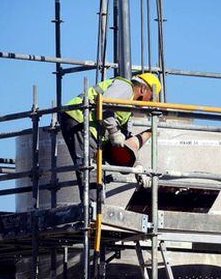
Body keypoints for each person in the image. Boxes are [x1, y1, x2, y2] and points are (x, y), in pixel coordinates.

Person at [59, 73, 161, 201]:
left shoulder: (127, 110)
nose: (149, 103)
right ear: (142, 89)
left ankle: (96, 207)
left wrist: (137, 167)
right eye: (151, 98)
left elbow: (124, 145)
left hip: (92, 129)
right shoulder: (125, 87)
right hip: (79, 119)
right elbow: (104, 104)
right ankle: (92, 208)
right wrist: (114, 132)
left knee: (96, 168)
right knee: (90, 167)